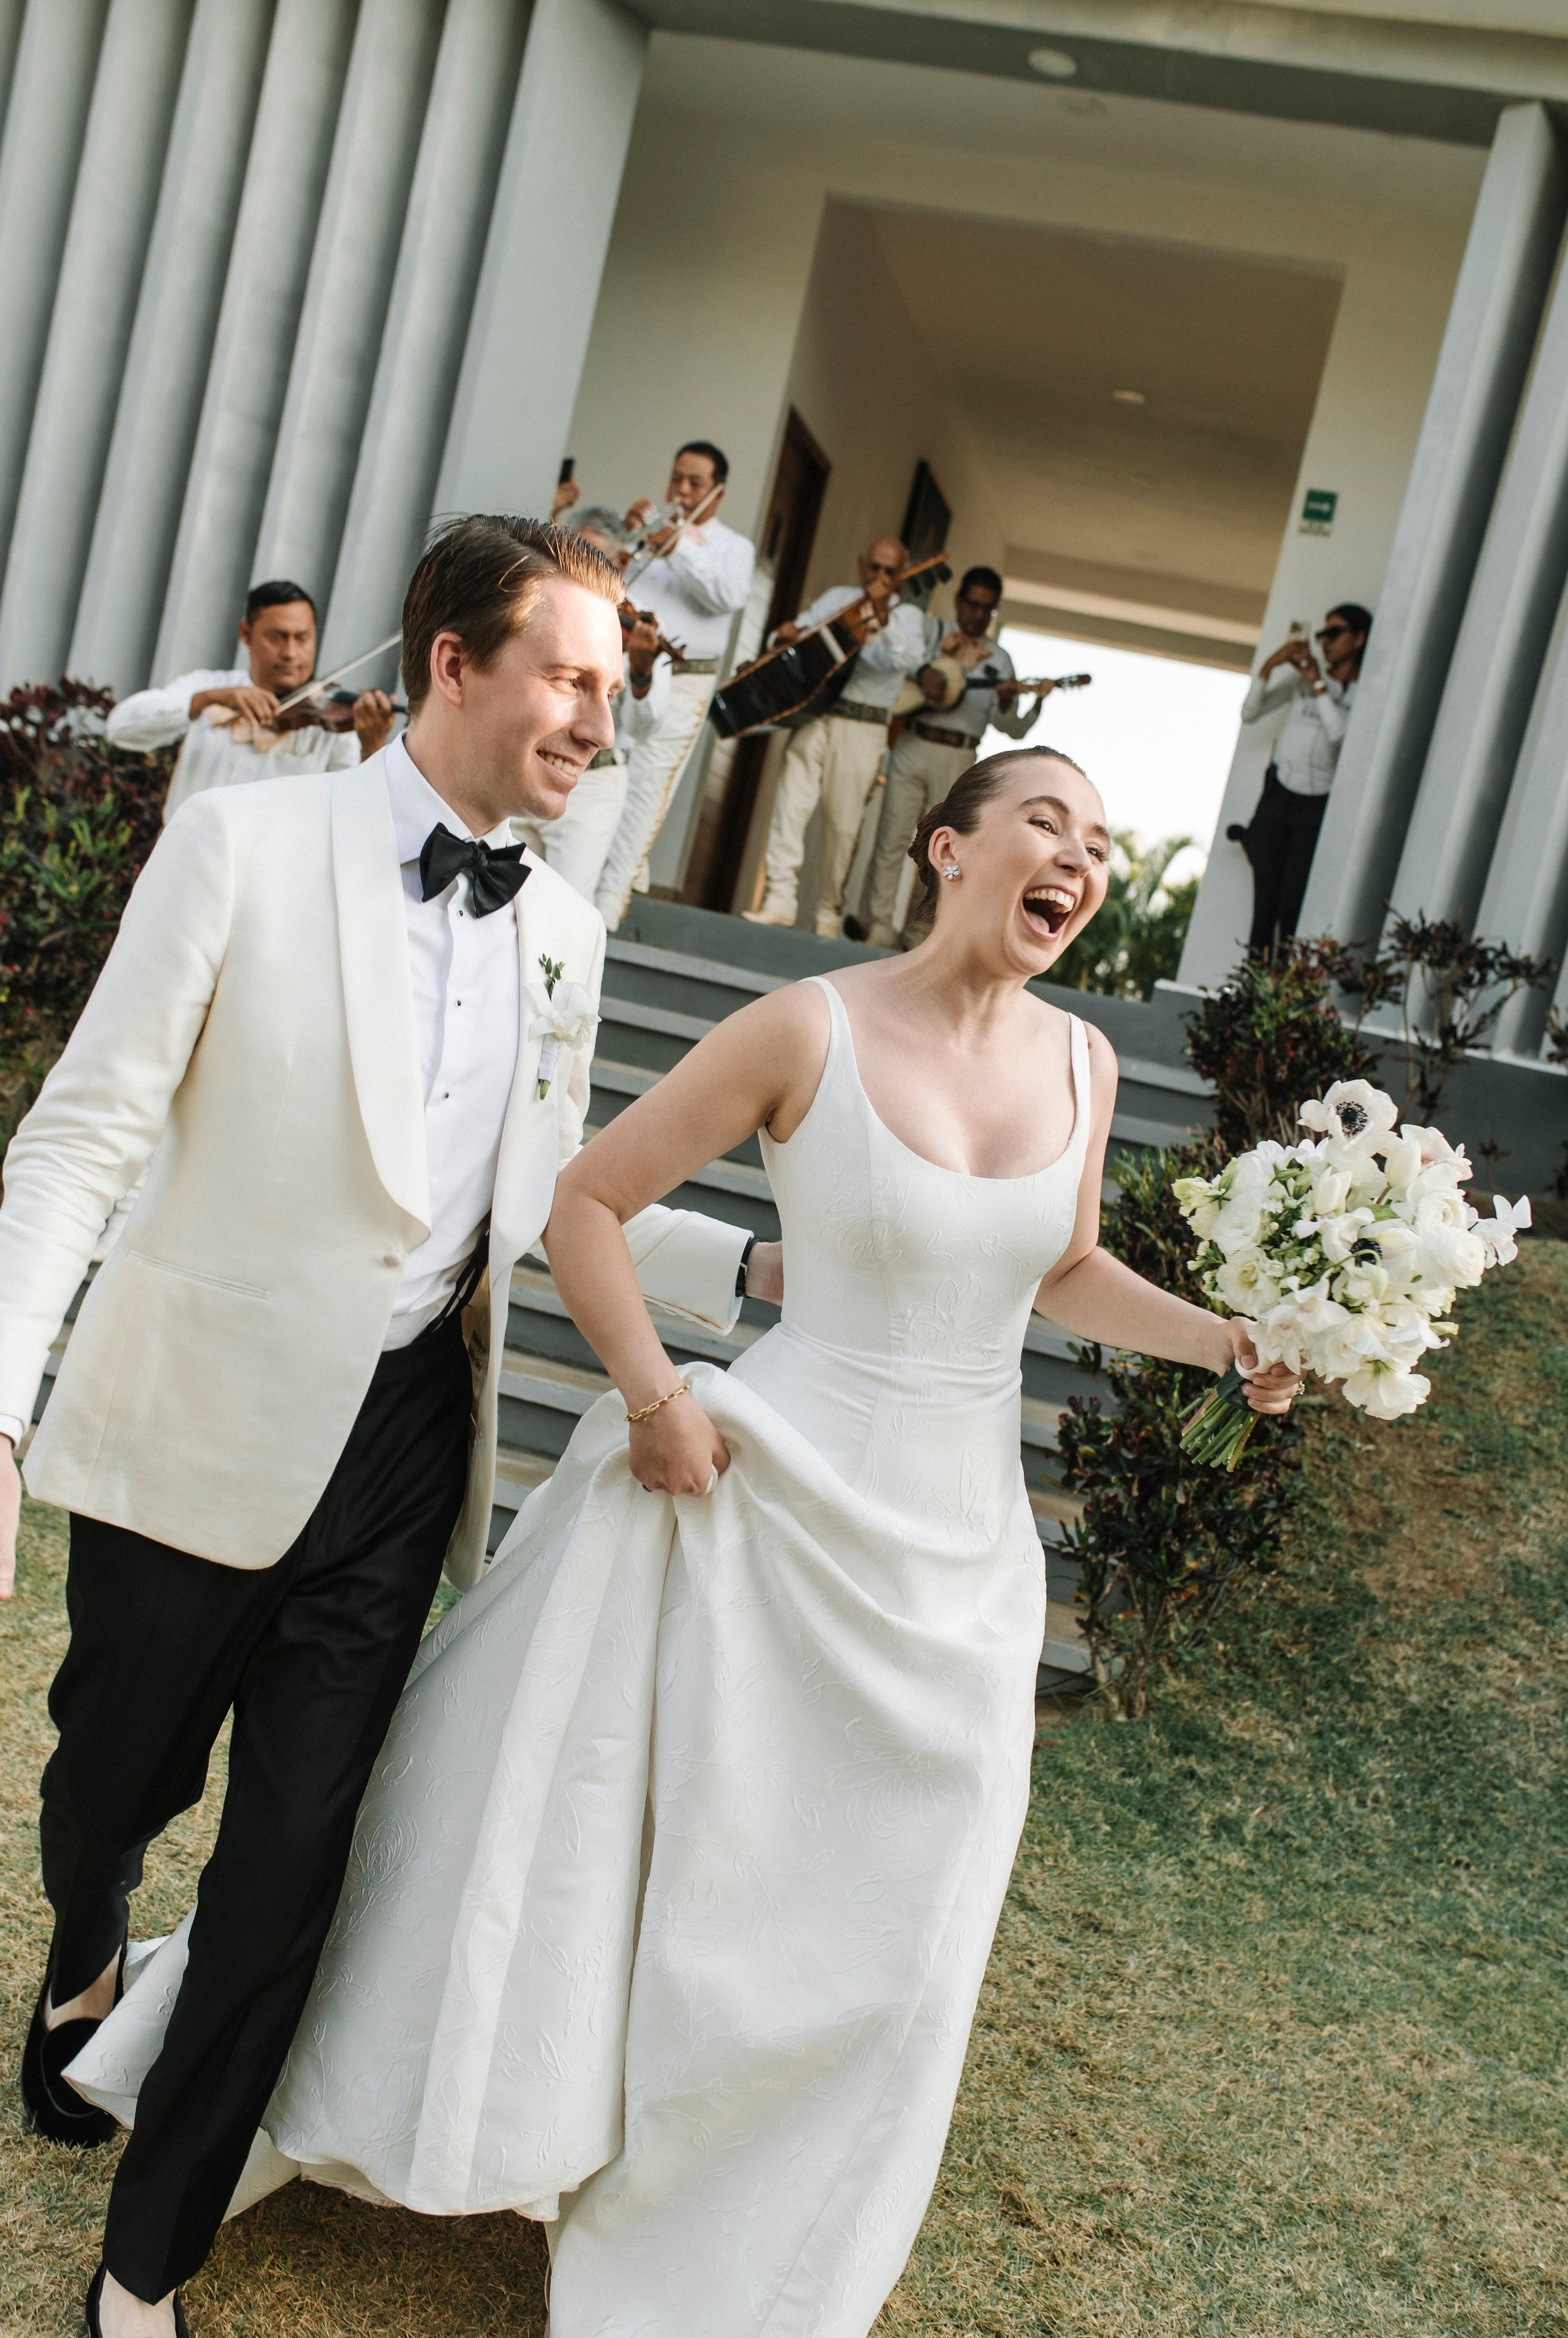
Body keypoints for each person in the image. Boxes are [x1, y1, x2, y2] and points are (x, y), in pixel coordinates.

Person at [69, 745, 1302, 2338]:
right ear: (947, 847)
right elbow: (586, 1200)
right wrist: (657, 1397)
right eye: (1047, 821)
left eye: (1103, 835)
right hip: (757, 1498)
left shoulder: (1085, 1066)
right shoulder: (808, 1025)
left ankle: (758, 2251)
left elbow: (1057, 1271)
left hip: (962, 1554)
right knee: (681, 1881)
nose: (1080, 854)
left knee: (890, 1925)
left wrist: (1227, 1340)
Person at [1, 514, 776, 2338]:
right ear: (453, 662)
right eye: (573, 675)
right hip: (195, 1405)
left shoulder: (564, 930)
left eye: (615, 685)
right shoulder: (240, 844)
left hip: (410, 1432)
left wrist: (770, 1259)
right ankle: (90, 1933)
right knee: (111, 1773)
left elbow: (540, 1197)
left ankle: (147, 2258)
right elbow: (84, 1137)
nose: (602, 715)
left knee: (293, 1857)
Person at [592, 441, 756, 927]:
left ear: (718, 493)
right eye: (676, 478)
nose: (681, 490)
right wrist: (626, 543)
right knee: (606, 774)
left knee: (646, 788)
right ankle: (600, 880)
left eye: (695, 483)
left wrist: (679, 544)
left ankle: (606, 911)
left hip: (683, 681)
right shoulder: (651, 532)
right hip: (626, 670)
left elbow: (725, 596)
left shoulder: (734, 549)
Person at [852, 562, 1049, 948]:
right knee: (892, 836)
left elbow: (1009, 728)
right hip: (913, 742)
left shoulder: (1000, 659)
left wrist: (1014, 704)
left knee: (943, 849)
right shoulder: (931, 633)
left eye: (986, 609)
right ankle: (876, 925)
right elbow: (901, 667)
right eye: (972, 605)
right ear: (958, 601)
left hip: (959, 759)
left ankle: (920, 932)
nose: (977, 615)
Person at [742, 535, 927, 936]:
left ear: (902, 574)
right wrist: (784, 637)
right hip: (816, 714)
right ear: (862, 565)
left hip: (864, 727)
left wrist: (881, 617)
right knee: (791, 805)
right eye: (874, 567)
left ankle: (827, 913)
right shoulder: (836, 598)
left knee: (844, 826)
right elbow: (796, 636)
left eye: (889, 571)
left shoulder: (908, 618)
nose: (879, 576)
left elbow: (901, 659)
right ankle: (779, 899)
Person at [106, 579, 397, 821]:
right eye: (277, 638)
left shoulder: (334, 725)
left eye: (302, 638)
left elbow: (354, 816)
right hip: (182, 864)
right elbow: (120, 728)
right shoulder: (210, 686)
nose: (291, 653)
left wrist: (372, 743)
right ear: (246, 634)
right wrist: (209, 699)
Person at [510, 508, 672, 899]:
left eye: (591, 553)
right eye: (570, 552)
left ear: (622, 562)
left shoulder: (643, 624)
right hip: (532, 765)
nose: (577, 564)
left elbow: (644, 727)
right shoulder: (543, 606)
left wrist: (642, 672)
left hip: (594, 781)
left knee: (563, 906)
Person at [1227, 603, 1371, 954]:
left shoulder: (1364, 695)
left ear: (1359, 639)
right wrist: (1269, 665)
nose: (1325, 642)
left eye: (1335, 634)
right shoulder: (1298, 685)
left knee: (1292, 907)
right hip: (1279, 796)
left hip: (1316, 805)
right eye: (1322, 635)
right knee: (1265, 906)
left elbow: (1340, 738)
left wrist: (1318, 684)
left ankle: (1283, 996)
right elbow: (1249, 714)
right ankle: (1251, 994)